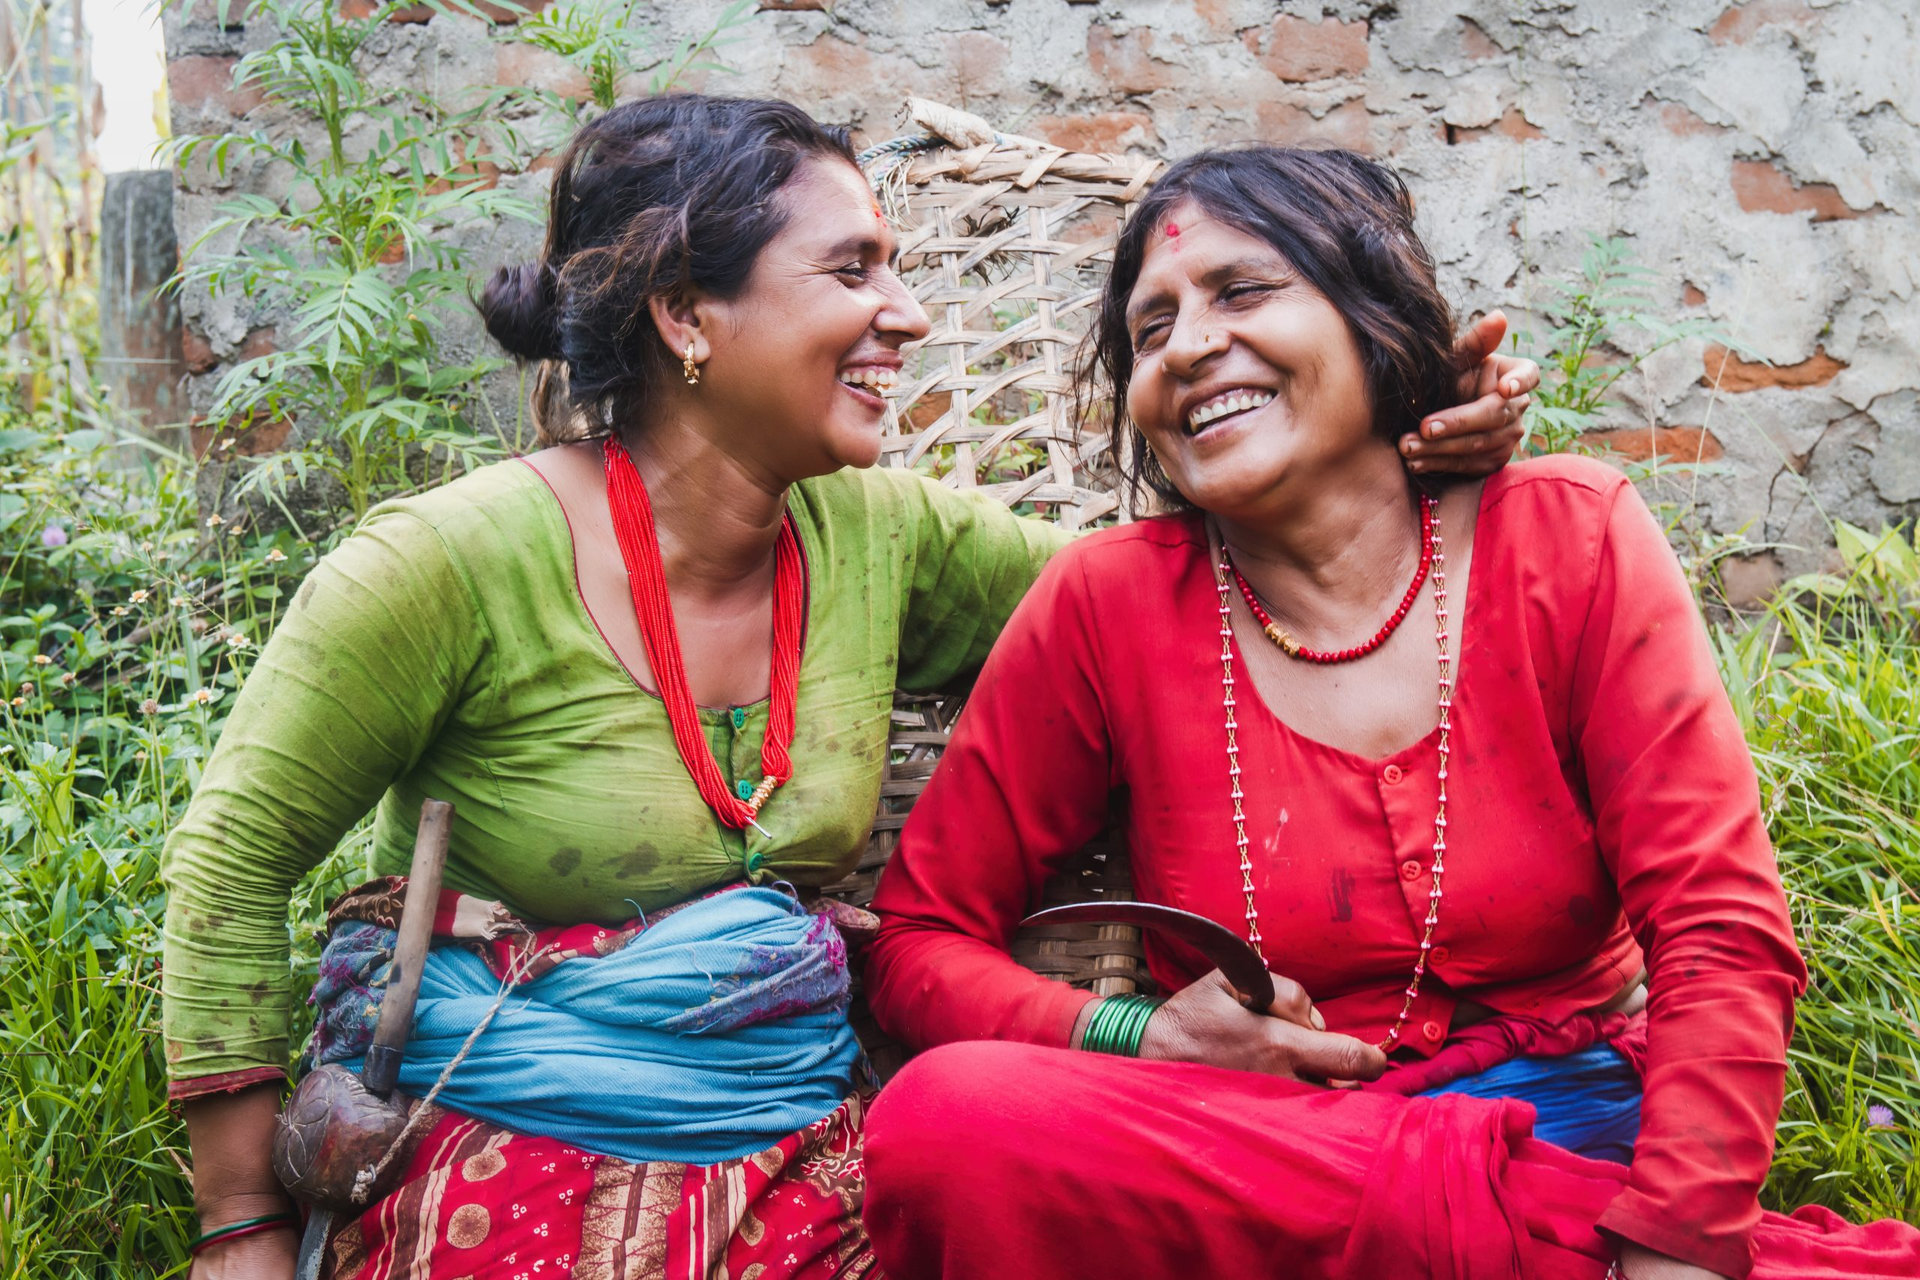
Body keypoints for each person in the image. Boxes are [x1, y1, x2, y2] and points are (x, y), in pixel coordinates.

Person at [162, 99, 1537, 1279]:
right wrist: (239, 1223)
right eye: (855, 271)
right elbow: (230, 866)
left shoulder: (880, 536)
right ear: (688, 315)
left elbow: (1191, 596)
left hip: (782, 1140)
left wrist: (1399, 445)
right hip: (502, 1130)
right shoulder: (449, 564)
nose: (909, 314)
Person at [860, 146, 1920, 1280]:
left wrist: (1676, 1244)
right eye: (1152, 328)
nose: (1190, 345)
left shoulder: (1568, 535)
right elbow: (919, 943)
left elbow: (1720, 924)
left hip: (1574, 1153)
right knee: (947, 1119)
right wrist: (1146, 1033)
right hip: (1266, 1158)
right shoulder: (1107, 603)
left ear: (1373, 317)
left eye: (1244, 289)